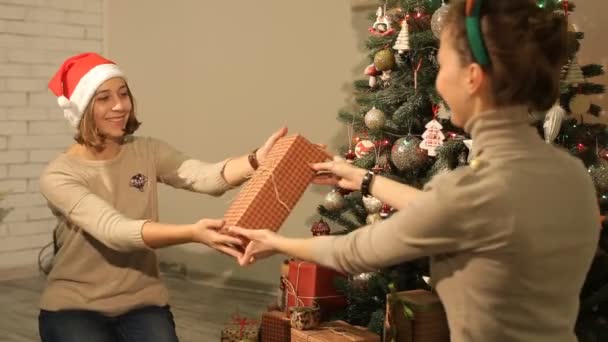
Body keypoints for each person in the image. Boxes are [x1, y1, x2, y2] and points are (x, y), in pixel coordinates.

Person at [228, 0, 600, 340]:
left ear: (472, 77)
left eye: (442, 61)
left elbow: (352, 251)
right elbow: (447, 212)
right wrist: (363, 179)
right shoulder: (569, 176)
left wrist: (274, 241)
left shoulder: (473, 191)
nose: (437, 78)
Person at [38, 52, 286, 342]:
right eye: (103, 98)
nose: (120, 106)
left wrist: (257, 159)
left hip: (142, 301)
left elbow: (203, 176)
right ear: (81, 110)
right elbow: (114, 230)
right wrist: (193, 233)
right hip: (73, 306)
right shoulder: (58, 175)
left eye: (123, 94)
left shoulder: (146, 150)